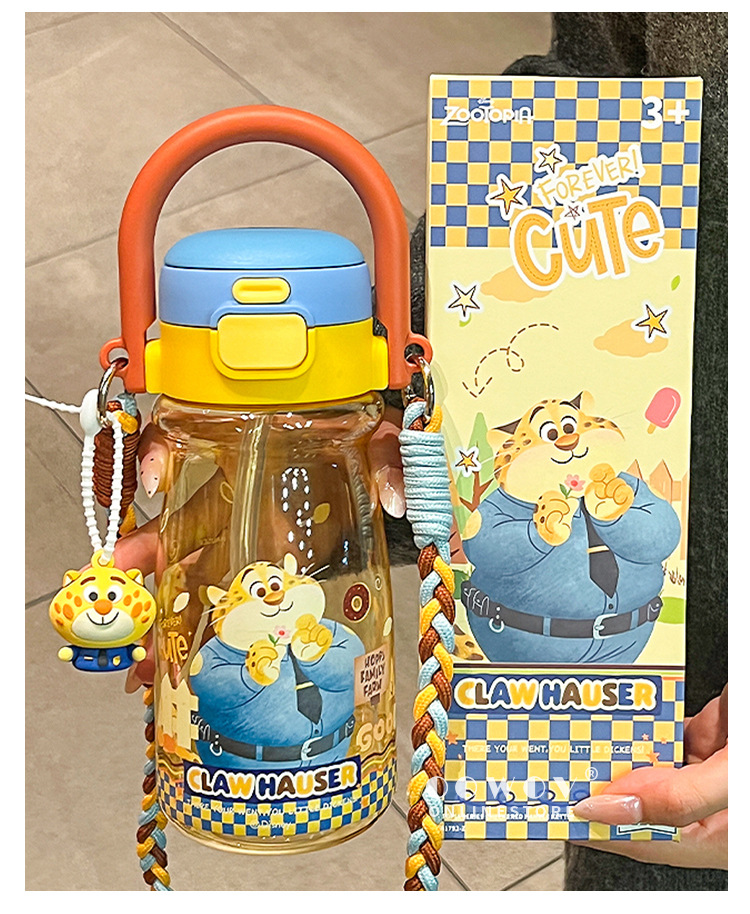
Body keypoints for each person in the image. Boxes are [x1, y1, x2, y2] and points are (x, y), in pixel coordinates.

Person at [116, 11, 728, 890]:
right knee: (625, 826)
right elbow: (597, 71)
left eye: (573, 428)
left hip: (664, 668)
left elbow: (651, 541)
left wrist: (621, 514)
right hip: (604, 722)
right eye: (549, 431)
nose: (565, 440)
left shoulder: (618, 487)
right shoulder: (503, 502)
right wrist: (385, 399)